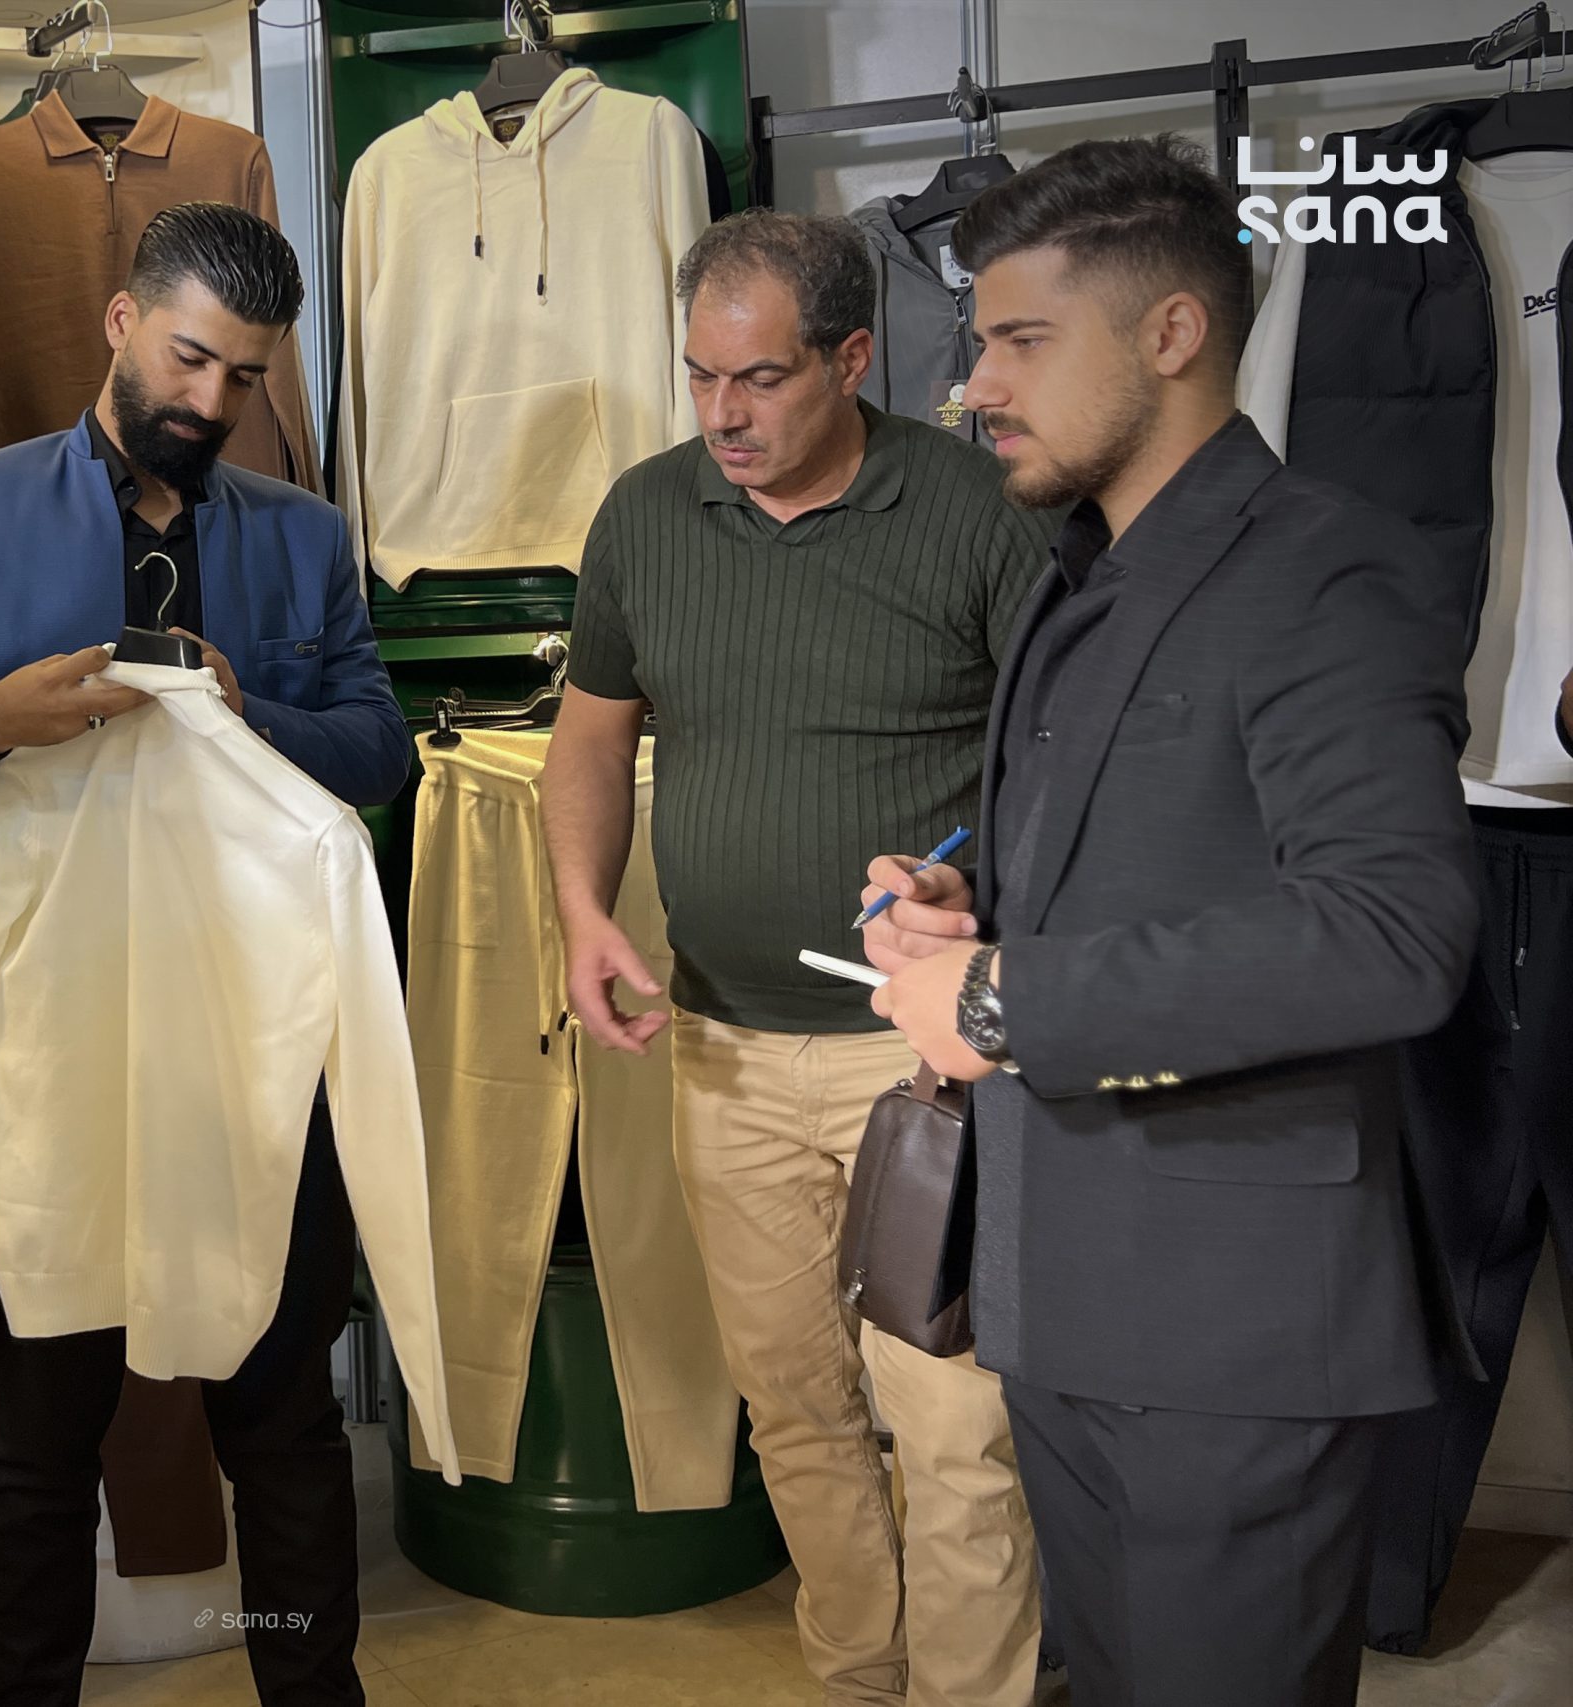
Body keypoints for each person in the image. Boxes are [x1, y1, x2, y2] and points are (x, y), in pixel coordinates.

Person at [861, 135, 1479, 1707]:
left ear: (1173, 332)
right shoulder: (1079, 575)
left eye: (1020, 340)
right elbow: (1157, 860)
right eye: (980, 342)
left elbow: (1392, 930)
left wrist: (1002, 1003)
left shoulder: (1329, 570)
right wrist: (972, 909)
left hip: (1231, 1327)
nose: (975, 387)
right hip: (1060, 1288)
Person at [0, 202, 408, 1707]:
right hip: (44, 1032)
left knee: (283, 1423)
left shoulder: (300, 533)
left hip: (256, 1031)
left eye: (246, 376)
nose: (212, 402)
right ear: (119, 322)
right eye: (190, 358)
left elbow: (380, 751)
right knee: (35, 1434)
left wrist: (247, 714)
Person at [541, 208, 1051, 1707]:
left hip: (926, 1055)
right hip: (722, 1048)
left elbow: (1065, 763)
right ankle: (857, 1676)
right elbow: (591, 739)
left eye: (759, 379)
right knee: (795, 1409)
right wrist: (582, 909)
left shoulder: (980, 509)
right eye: (700, 376)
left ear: (852, 358)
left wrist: (966, 878)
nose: (723, 414)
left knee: (956, 1430)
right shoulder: (646, 516)